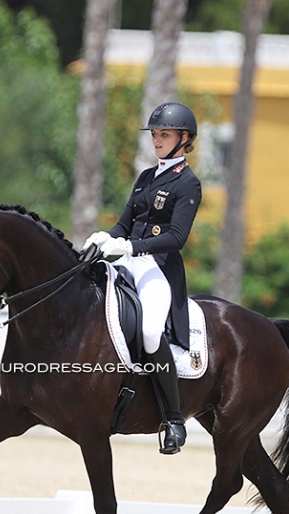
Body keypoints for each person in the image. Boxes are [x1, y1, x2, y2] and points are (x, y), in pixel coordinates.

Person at [83, 102, 202, 454]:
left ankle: (174, 419)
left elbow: (177, 237)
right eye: (154, 134)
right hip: (128, 259)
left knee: (150, 330)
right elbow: (124, 222)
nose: (157, 140)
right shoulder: (146, 177)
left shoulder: (188, 184)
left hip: (158, 267)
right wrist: (104, 237)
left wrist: (131, 246)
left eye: (164, 134)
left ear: (184, 139)